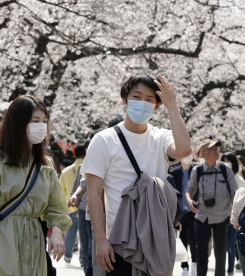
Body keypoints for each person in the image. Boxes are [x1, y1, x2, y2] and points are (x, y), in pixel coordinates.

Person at [82, 74, 191, 275]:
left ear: (157, 106)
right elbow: (94, 195)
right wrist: (101, 241)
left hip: (156, 239)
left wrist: (172, 105)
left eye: (150, 99)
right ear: (125, 99)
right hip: (120, 241)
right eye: (137, 96)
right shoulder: (104, 140)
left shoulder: (161, 137)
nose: (142, 103)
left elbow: (184, 150)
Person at [0, 95, 71, 276]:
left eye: (45, 121)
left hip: (34, 241)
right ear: (18, 123)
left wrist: (56, 231)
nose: (42, 126)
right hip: (2, 241)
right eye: (35, 121)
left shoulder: (45, 165)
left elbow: (57, 206)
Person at [186, 139, 239, 276]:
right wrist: (189, 200)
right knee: (201, 252)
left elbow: (234, 191)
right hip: (202, 215)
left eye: (217, 148)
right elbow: (189, 189)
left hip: (222, 215)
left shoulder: (224, 168)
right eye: (213, 149)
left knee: (221, 253)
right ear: (204, 153)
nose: (217, 151)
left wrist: (237, 211)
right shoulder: (197, 170)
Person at [169, 155, 198, 276]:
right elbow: (174, 194)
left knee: (193, 238)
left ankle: (194, 264)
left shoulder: (196, 170)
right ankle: (184, 266)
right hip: (182, 211)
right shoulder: (174, 173)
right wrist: (176, 216)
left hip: (195, 210)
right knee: (183, 238)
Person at [69, 145, 93, 276]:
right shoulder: (82, 166)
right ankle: (87, 272)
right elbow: (80, 184)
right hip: (83, 210)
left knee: (91, 246)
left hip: (96, 210)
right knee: (84, 246)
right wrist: (74, 195)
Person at [59, 145, 84, 263]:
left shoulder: (66, 171)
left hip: (71, 206)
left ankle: (68, 255)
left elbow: (60, 191)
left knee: (71, 232)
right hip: (86, 205)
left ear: (74, 154)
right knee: (86, 234)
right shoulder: (90, 168)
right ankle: (83, 258)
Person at [221, 152, 245, 276]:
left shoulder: (239, 179)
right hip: (218, 216)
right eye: (224, 161)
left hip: (233, 217)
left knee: (230, 245)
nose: (226, 164)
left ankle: (230, 271)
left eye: (228, 161)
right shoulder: (218, 177)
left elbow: (244, 200)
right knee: (220, 246)